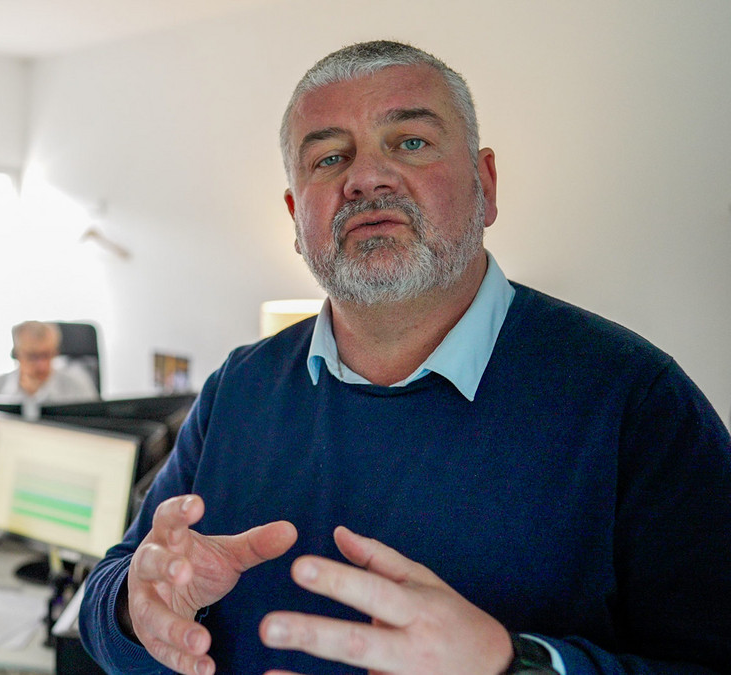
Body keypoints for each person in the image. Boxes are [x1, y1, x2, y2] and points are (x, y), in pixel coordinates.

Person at [79, 40, 731, 675]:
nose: (365, 178)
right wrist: (138, 611)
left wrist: (515, 665)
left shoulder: (636, 401)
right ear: (294, 216)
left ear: (486, 182)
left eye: (410, 142)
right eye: (329, 157)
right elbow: (112, 590)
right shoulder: (237, 389)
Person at [0, 320, 99, 404]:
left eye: (47, 355)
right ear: (16, 354)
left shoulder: (78, 387)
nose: (41, 365)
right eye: (33, 356)